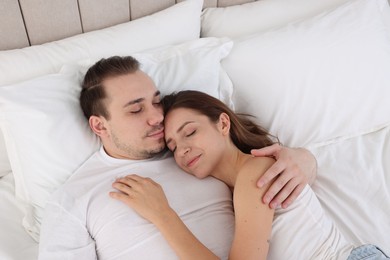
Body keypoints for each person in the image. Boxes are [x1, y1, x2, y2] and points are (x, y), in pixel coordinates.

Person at [38, 56, 317, 259]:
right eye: (136, 110)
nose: (157, 117)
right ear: (100, 126)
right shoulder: (73, 198)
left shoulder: (194, 157)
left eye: (156, 102)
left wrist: (305, 160)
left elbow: (264, 181)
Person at [110, 90, 390, 260]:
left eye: (190, 132)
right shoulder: (239, 188)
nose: (182, 150)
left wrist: (163, 215)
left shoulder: (255, 171)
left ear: (222, 123)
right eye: (172, 147)